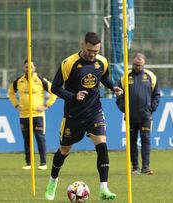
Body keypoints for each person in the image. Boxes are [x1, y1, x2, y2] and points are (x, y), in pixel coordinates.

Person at [44, 32, 123, 201]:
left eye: (96, 51)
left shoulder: (102, 61)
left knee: (102, 145)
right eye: (90, 50)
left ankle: (104, 189)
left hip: (94, 112)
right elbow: (55, 88)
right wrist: (73, 96)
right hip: (73, 115)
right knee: (64, 150)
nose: (93, 54)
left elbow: (104, 77)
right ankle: (53, 181)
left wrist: (113, 87)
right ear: (83, 45)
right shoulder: (69, 63)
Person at [116, 53, 161, 175]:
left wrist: (151, 108)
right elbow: (119, 95)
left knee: (146, 140)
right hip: (130, 117)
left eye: (140, 65)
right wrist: (124, 108)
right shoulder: (125, 77)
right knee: (132, 142)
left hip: (145, 116)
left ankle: (145, 167)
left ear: (144, 64)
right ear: (132, 63)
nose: (138, 67)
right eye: (136, 65)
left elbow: (156, 94)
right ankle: (135, 167)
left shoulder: (151, 76)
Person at [8, 59, 57, 170]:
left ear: (34, 68)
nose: (28, 69)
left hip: (37, 115)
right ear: (23, 68)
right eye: (26, 67)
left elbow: (54, 90)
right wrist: (16, 105)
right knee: (27, 140)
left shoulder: (40, 80)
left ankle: (43, 163)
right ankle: (28, 163)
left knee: (40, 138)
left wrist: (46, 105)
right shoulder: (18, 81)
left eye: (31, 67)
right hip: (24, 115)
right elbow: (10, 92)